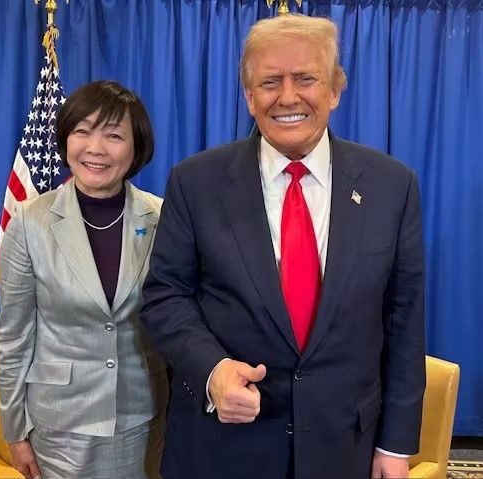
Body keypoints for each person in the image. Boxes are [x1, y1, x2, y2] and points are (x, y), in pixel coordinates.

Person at [140, 14, 425, 479]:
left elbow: (404, 320)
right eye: (270, 82)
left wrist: (395, 445)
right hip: (222, 450)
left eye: (306, 79)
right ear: (249, 97)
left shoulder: (393, 186)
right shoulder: (194, 182)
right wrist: (212, 370)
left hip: (344, 447)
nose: (288, 97)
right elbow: (165, 296)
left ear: (335, 90)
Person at [0, 80, 168, 479]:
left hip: (142, 417)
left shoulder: (162, 217)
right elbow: (13, 337)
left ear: (136, 146)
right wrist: (14, 431)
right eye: (82, 131)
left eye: (114, 135)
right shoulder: (30, 222)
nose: (95, 147)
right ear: (65, 139)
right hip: (59, 424)